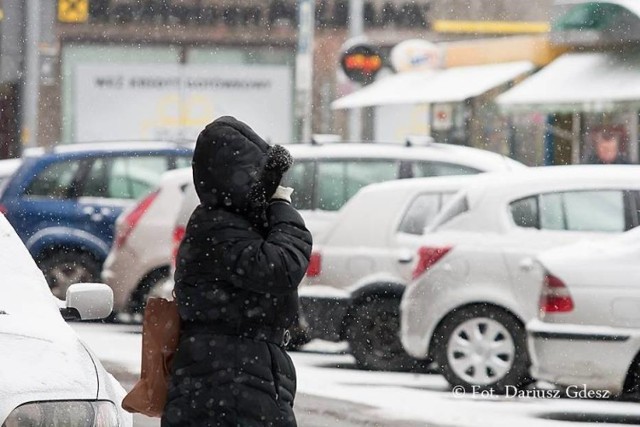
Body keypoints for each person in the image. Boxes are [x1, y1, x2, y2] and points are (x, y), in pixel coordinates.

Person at [162, 116, 312, 427]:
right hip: (230, 379)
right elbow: (282, 266)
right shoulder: (219, 225)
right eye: (266, 180)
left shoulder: (230, 222)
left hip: (236, 373)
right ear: (240, 179)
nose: (274, 187)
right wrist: (282, 206)